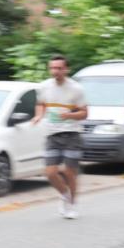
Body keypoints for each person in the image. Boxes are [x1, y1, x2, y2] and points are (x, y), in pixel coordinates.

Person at [33, 55, 88, 219]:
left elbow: (85, 113)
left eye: (58, 68)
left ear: (66, 69)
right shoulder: (44, 87)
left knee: (70, 172)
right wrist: (38, 115)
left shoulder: (76, 89)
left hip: (72, 134)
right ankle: (65, 195)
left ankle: (73, 205)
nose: (55, 71)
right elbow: (40, 103)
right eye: (52, 68)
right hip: (52, 134)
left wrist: (69, 116)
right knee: (50, 172)